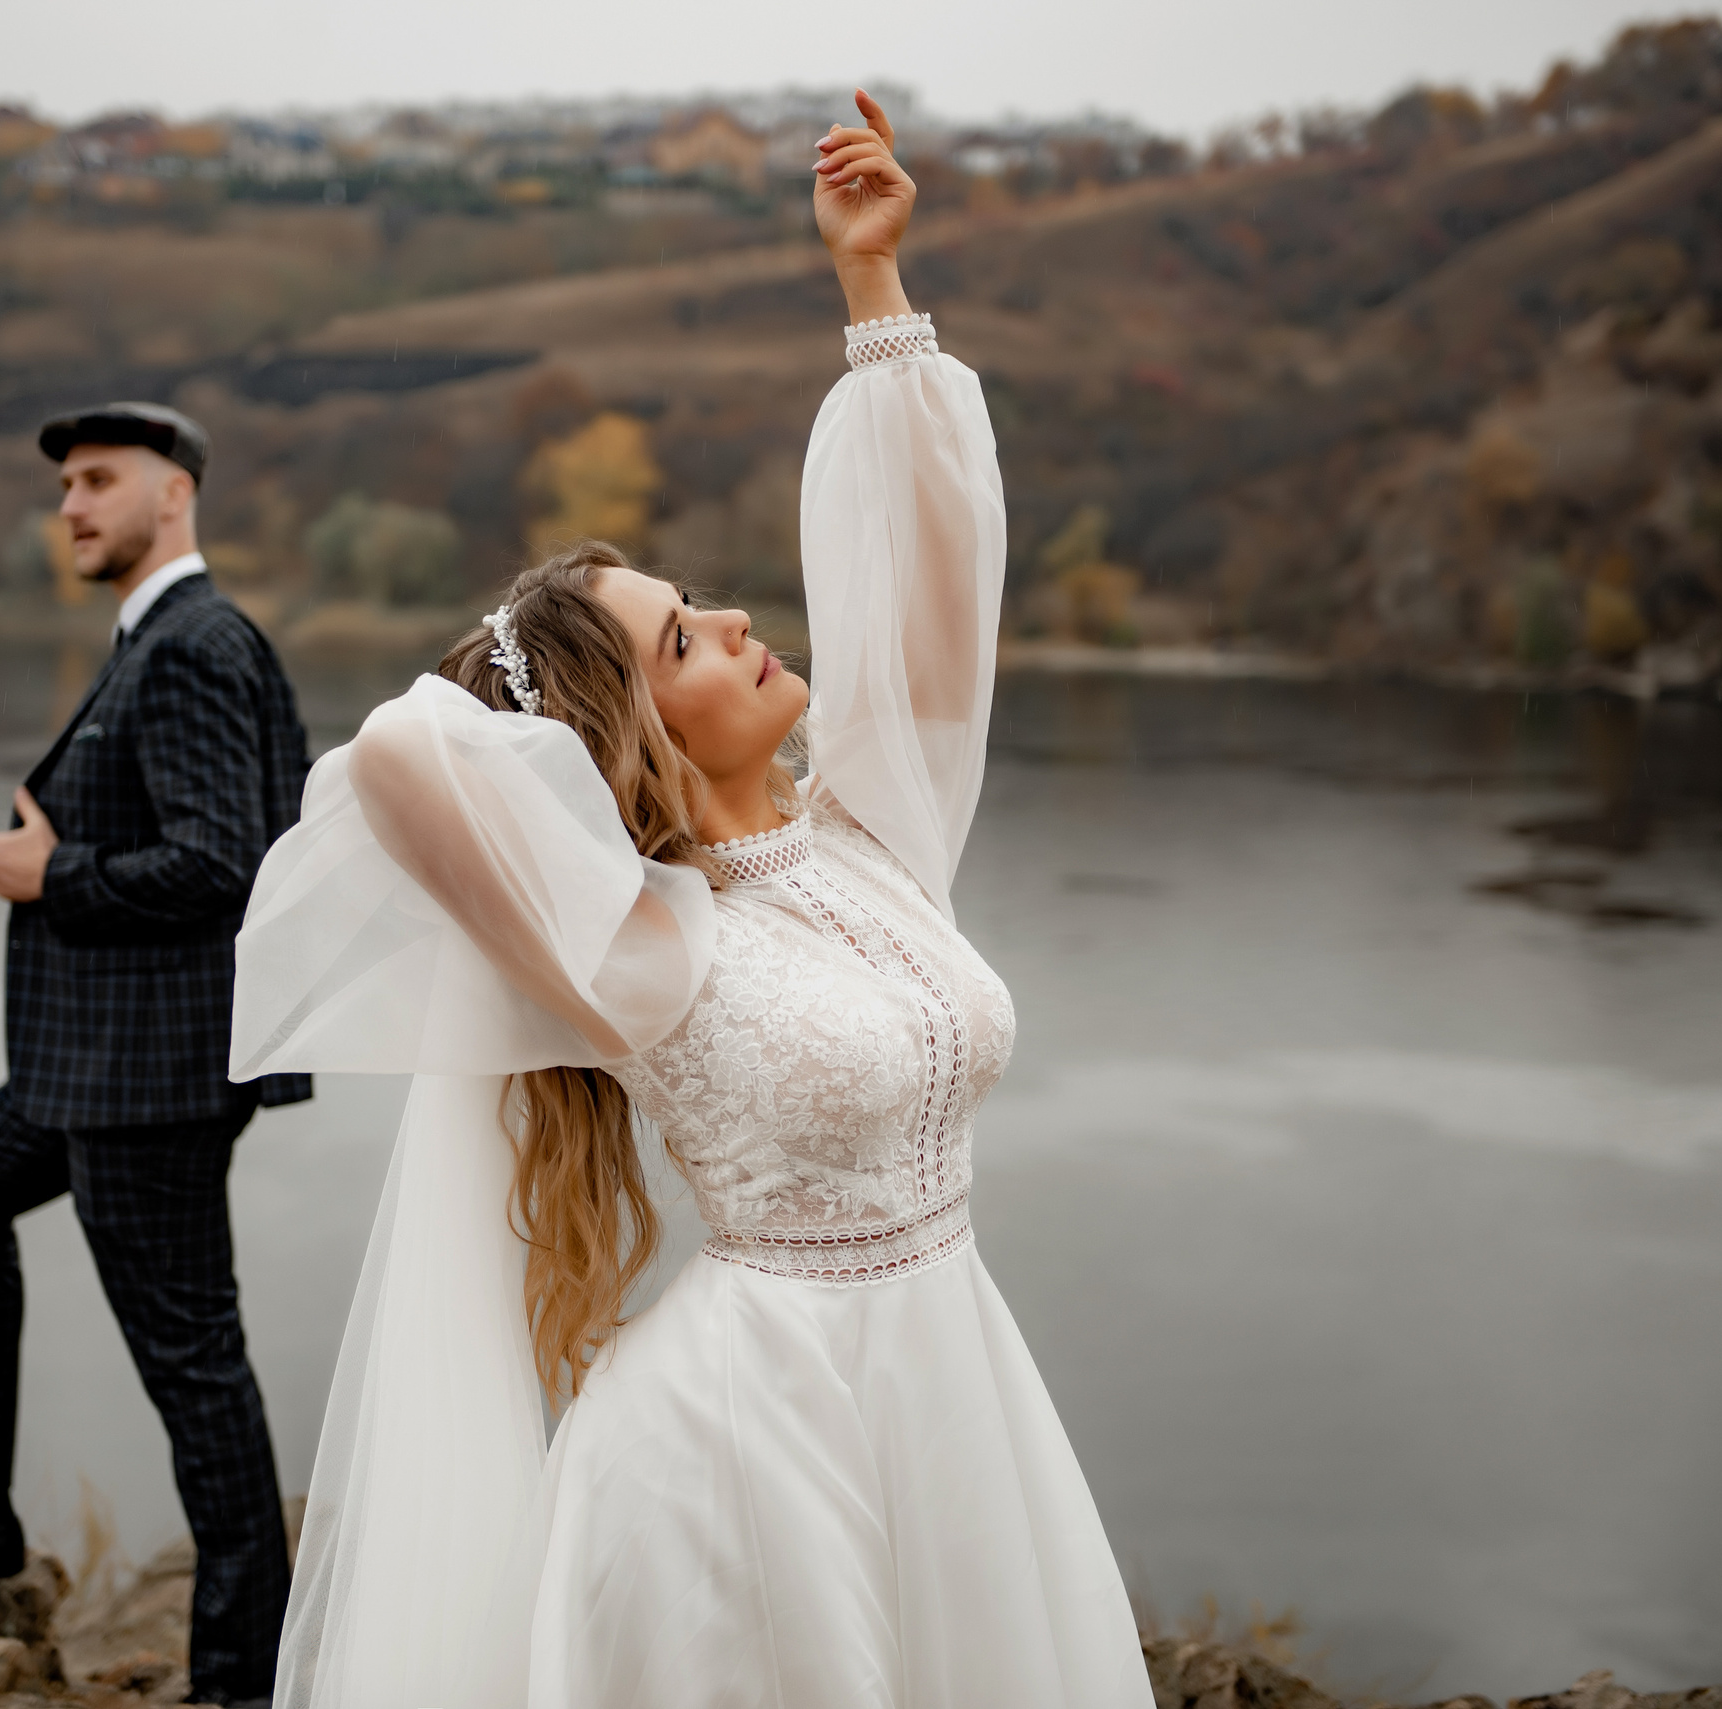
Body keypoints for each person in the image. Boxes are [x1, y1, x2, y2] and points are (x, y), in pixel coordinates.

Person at [229, 95, 1156, 1707]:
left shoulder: (876, 832)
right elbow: (396, 762)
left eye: (700, 606)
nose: (735, 618)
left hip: (953, 1398)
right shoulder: (639, 948)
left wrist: (874, 287)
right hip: (737, 1456)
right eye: (681, 643)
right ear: (628, 742)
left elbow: (937, 585)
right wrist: (548, 712)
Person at [0, 402, 311, 1709]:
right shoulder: (155, 640)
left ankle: (241, 1679)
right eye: (64, 486)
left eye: (100, 480)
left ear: (178, 493)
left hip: (150, 1082)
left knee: (196, 1375)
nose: (72, 505)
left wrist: (55, 873)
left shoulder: (195, 645)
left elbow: (225, 862)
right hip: (96, 1066)